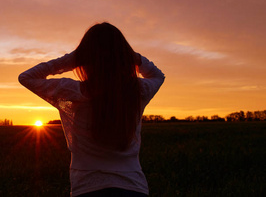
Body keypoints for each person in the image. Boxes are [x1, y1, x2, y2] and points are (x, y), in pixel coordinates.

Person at [18, 22, 165, 197]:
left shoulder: (73, 92)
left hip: (87, 189)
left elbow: (26, 77)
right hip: (134, 188)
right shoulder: (138, 92)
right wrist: (132, 57)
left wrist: (73, 58)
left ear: (85, 60)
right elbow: (157, 75)